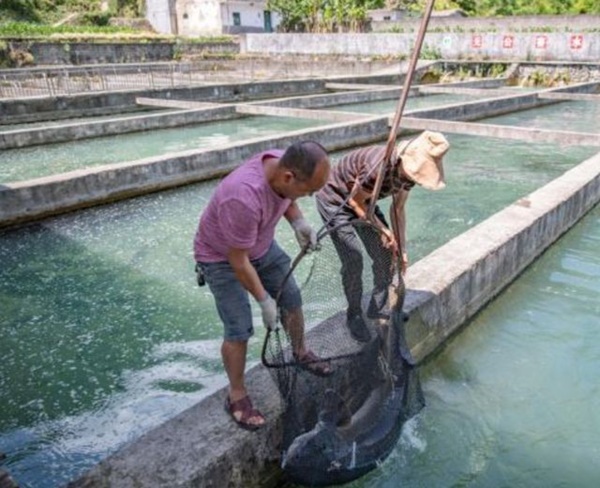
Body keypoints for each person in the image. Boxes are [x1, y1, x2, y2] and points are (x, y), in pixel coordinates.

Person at [194, 141, 332, 431]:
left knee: (292, 298)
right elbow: (238, 261)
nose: (308, 197)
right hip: (221, 257)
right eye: (308, 191)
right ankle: (237, 394)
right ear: (289, 178)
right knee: (239, 327)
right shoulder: (242, 197)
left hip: (259, 244)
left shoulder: (283, 163)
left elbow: (286, 199)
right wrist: (264, 301)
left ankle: (301, 351)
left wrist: (299, 223)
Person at [315, 130, 450, 343]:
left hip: (365, 201)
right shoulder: (377, 168)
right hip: (337, 200)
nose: (413, 178)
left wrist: (402, 248)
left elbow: (398, 210)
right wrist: (384, 231)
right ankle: (354, 314)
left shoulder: (407, 176)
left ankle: (376, 308)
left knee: (387, 254)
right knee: (353, 259)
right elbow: (355, 203)